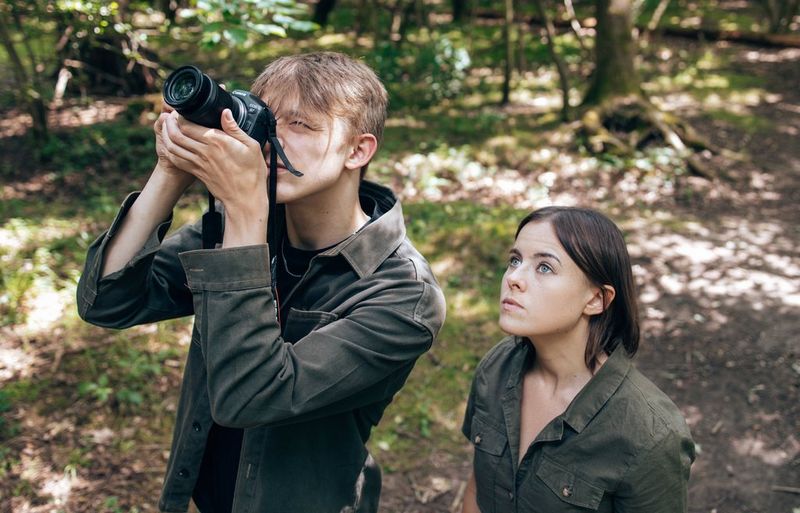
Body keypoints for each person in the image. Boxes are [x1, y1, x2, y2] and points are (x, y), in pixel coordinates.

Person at [77, 51, 446, 513]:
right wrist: (171, 172)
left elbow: (251, 396)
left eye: (302, 125)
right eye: (267, 119)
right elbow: (107, 301)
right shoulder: (248, 227)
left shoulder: (404, 295)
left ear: (358, 150)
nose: (270, 139)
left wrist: (246, 209)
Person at [460, 206, 694, 513]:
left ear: (596, 299)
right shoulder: (497, 366)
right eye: (515, 260)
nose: (514, 278)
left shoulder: (652, 434)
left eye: (544, 267)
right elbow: (478, 485)